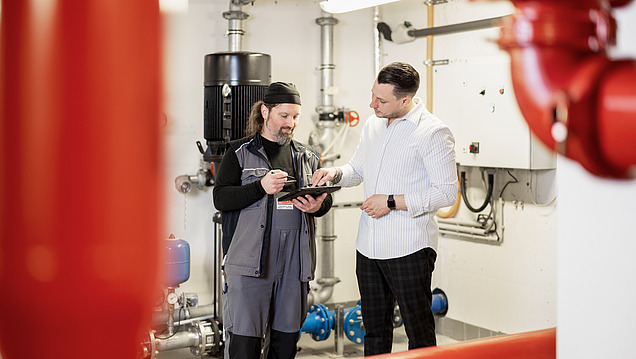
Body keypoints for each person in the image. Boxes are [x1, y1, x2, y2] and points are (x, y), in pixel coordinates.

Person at [312, 62, 457, 355]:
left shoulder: (432, 132)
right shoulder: (373, 124)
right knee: (374, 331)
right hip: (368, 247)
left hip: (410, 248)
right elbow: (358, 169)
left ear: (405, 100)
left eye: (381, 100)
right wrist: (334, 173)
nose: (372, 104)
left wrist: (391, 202)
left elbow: (446, 193)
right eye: (372, 95)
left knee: (419, 332)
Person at [213, 82, 333, 359]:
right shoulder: (239, 153)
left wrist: (317, 206)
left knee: (285, 344)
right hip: (249, 265)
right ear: (265, 112)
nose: (290, 123)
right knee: (245, 346)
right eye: (284, 116)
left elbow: (324, 200)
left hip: (294, 266)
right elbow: (221, 198)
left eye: (295, 117)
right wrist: (260, 188)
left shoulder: (308, 156)